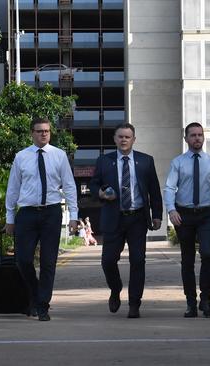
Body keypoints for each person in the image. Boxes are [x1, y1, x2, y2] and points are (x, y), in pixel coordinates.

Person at [5, 117, 79, 321]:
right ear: (32, 133)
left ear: (50, 133)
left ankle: (43, 305)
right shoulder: (21, 157)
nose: (43, 134)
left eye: (46, 131)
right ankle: (36, 295)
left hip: (51, 213)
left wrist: (74, 216)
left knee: (48, 262)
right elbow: (13, 189)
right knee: (23, 260)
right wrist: (10, 218)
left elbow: (70, 186)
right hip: (27, 213)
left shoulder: (59, 155)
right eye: (39, 131)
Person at [89, 123, 163, 318]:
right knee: (108, 261)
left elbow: (154, 190)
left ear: (133, 139)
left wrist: (157, 215)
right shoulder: (104, 161)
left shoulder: (146, 161)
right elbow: (93, 183)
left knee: (138, 261)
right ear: (115, 139)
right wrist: (101, 193)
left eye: (127, 137)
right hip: (114, 217)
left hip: (137, 217)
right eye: (120, 136)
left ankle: (134, 304)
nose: (123, 140)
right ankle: (115, 288)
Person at [164, 122, 210, 318]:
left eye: (200, 135)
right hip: (183, 215)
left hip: (205, 215)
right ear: (186, 139)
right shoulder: (178, 162)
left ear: (204, 137)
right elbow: (169, 188)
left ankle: (206, 300)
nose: (197, 138)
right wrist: (171, 210)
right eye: (192, 135)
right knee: (187, 260)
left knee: (208, 254)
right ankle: (191, 303)